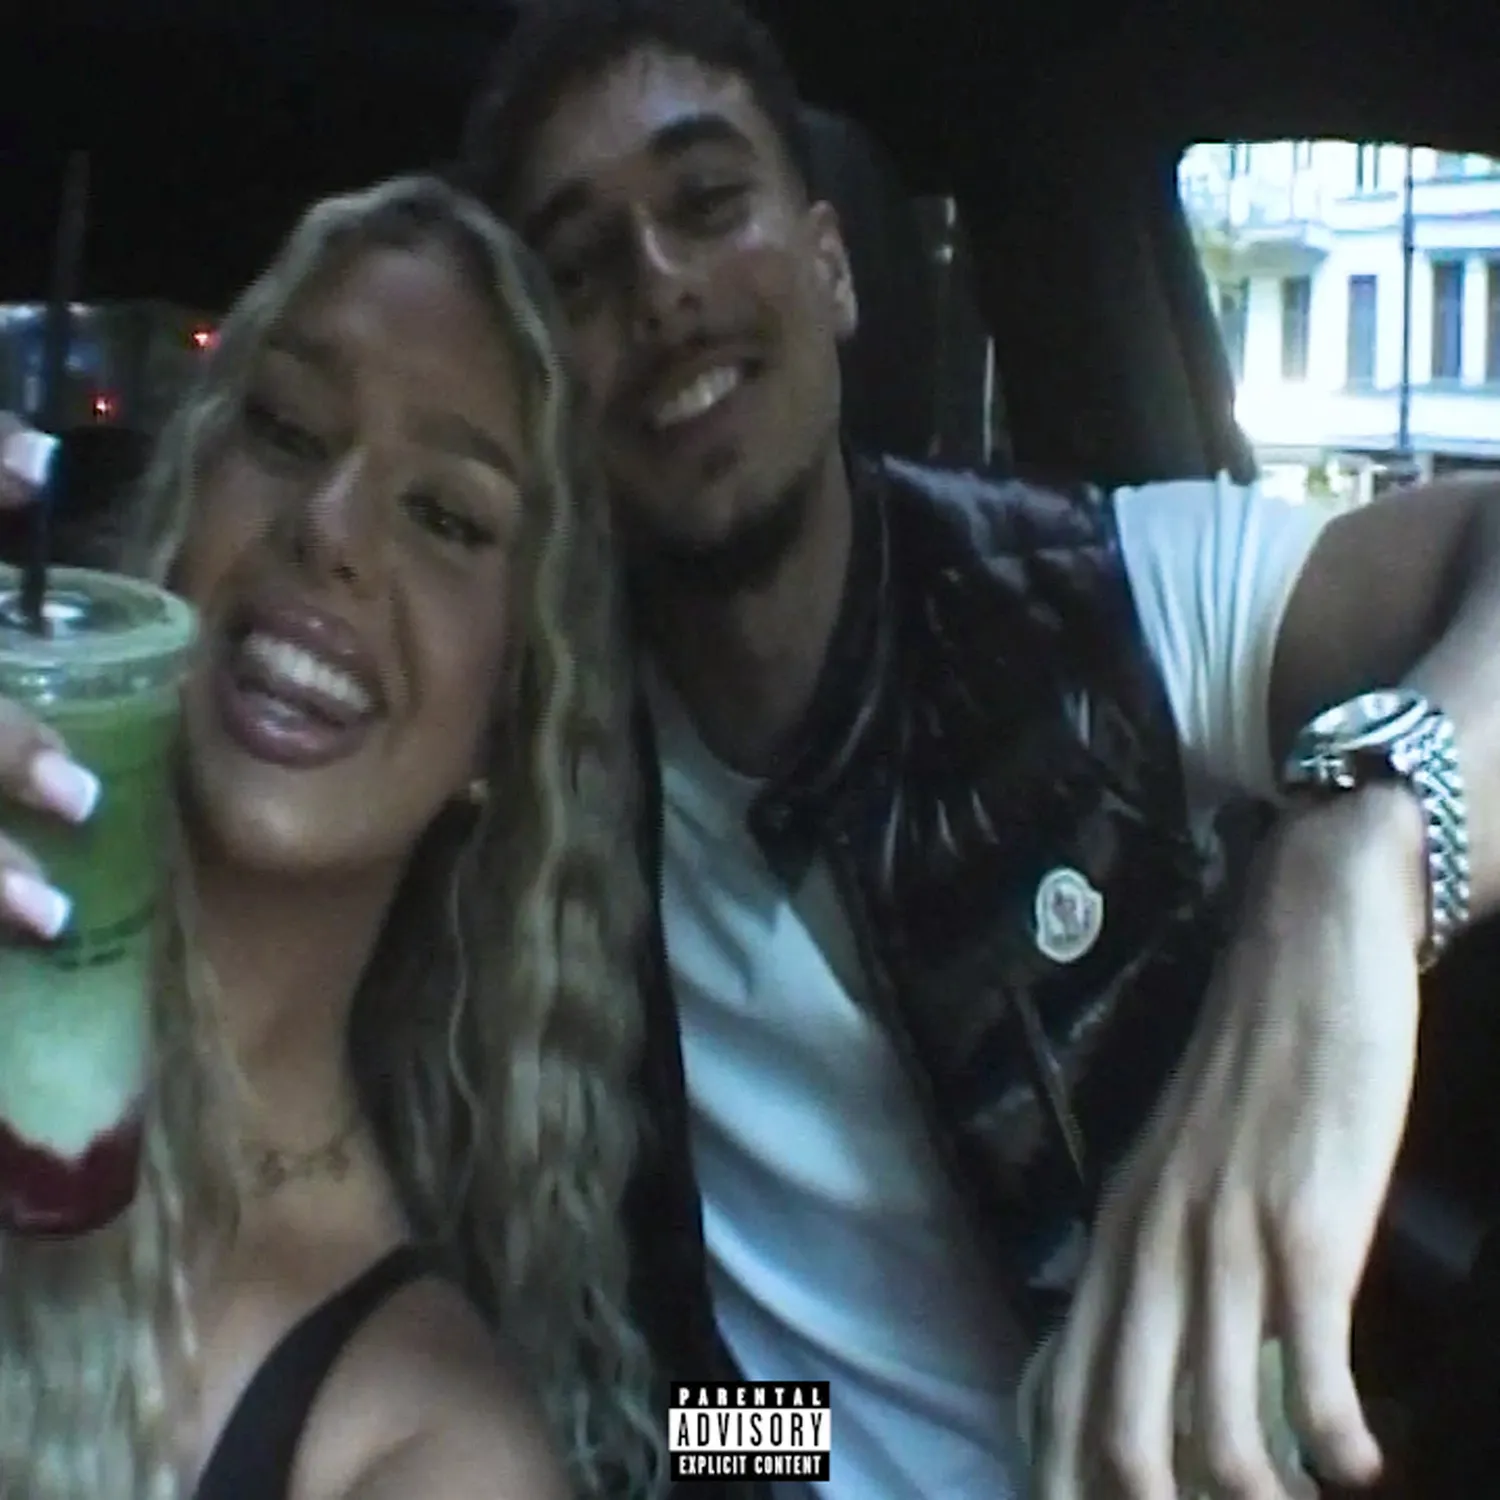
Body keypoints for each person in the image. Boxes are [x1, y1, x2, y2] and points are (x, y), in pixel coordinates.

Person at [456, 2, 1500, 1497]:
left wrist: (1361, 858)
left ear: (831, 266)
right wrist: (750, 1462)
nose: (660, 285)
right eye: (579, 267)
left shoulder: (1108, 594)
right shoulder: (531, 771)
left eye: (709, 203)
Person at [0, 175, 662, 1500]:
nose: (332, 528)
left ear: (508, 723)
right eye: (288, 431)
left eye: (447, 515)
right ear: (178, 530)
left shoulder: (436, 1445)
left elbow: (760, 1431)